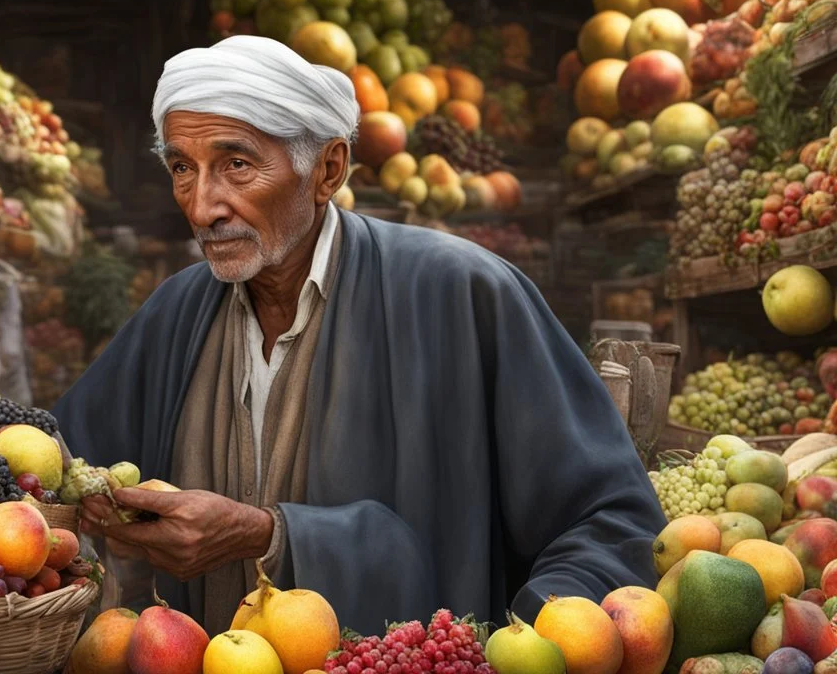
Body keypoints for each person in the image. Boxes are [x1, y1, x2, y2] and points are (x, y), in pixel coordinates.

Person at [53, 35, 666, 635]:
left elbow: (612, 523)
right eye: (183, 169)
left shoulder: (463, 292)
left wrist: (523, 643)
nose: (202, 206)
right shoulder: (178, 312)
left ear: (327, 170)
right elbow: (48, 461)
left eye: (236, 165)